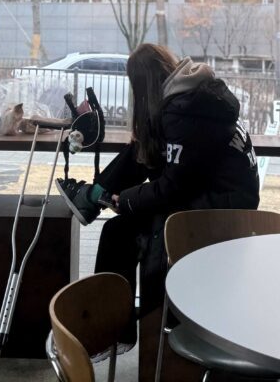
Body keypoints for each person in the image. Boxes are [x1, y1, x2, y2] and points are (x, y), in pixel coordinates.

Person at [56, 43, 260, 345]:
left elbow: (173, 188)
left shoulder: (183, 112)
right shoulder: (194, 97)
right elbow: (172, 172)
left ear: (142, 85)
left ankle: (114, 332)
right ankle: (115, 330)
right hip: (216, 200)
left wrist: (123, 201)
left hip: (215, 212)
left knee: (121, 233)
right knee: (127, 199)